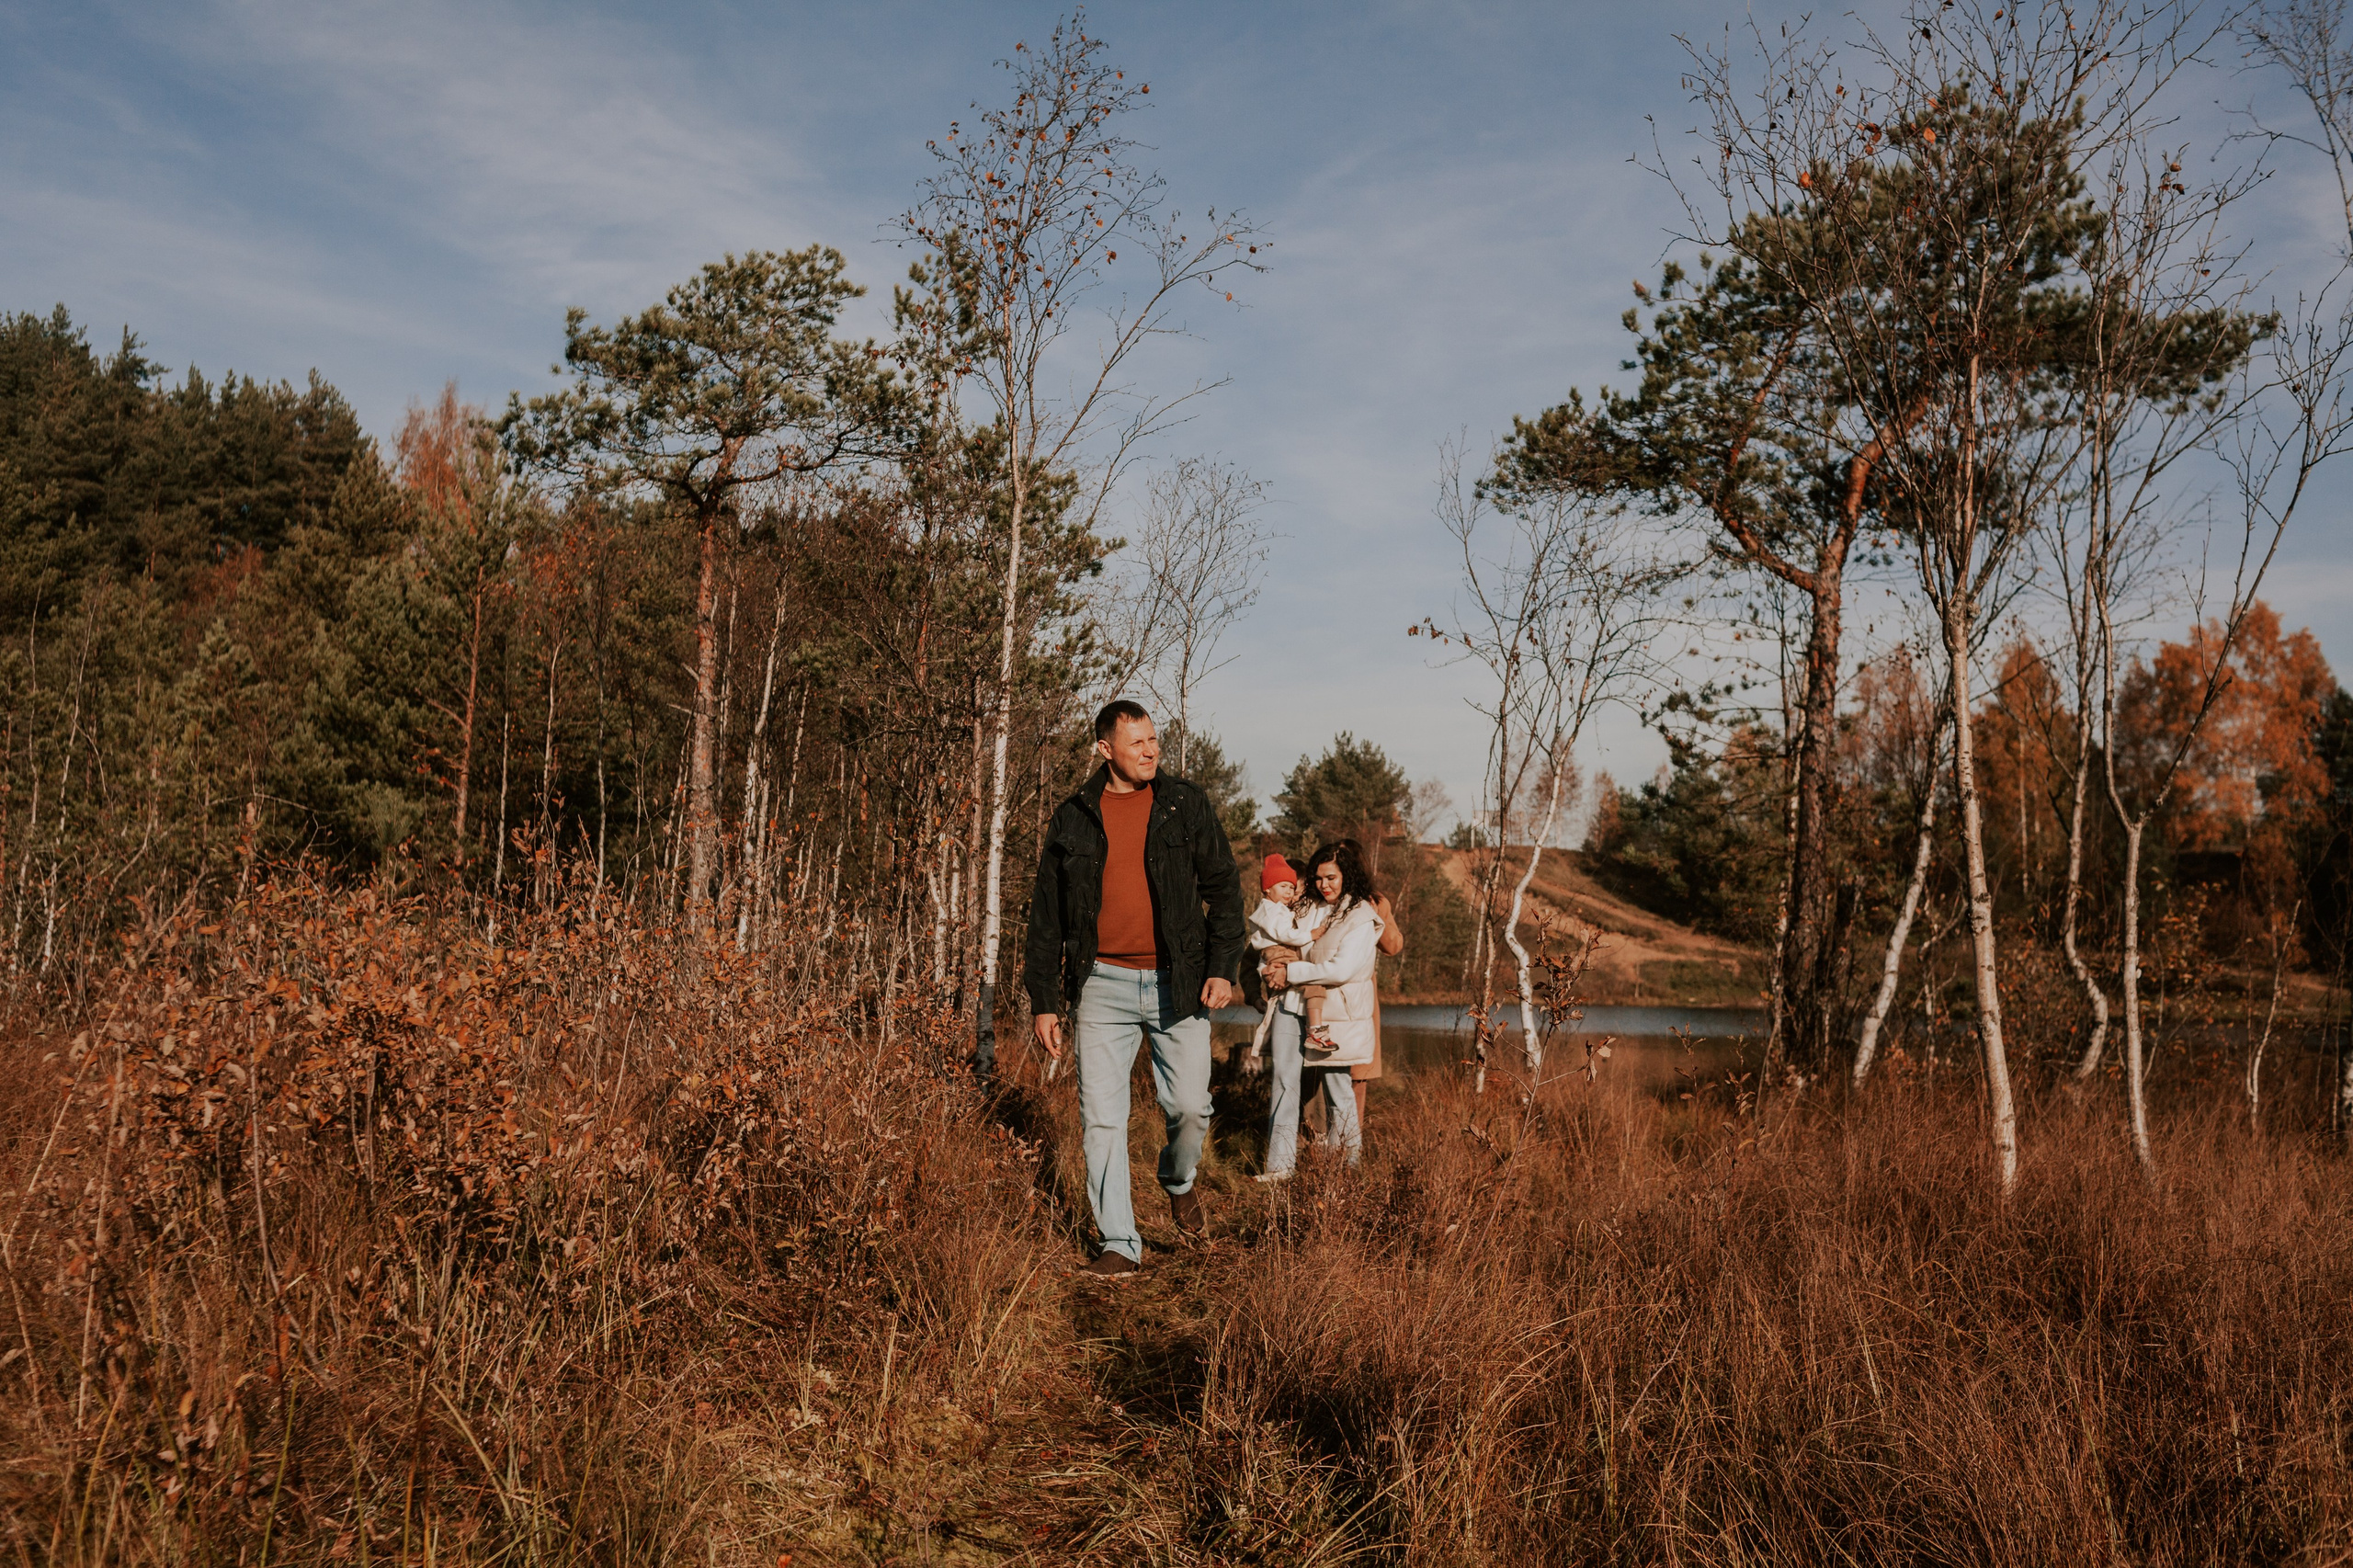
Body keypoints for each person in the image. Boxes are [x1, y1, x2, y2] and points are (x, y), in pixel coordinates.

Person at [1024, 699, 1245, 1278]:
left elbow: (1224, 888)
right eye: (1137, 743)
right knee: (1101, 1116)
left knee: (1191, 1107)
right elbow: (1046, 916)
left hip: (1182, 982)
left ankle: (1179, 1179)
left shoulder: (1184, 804)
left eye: (1153, 740)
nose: (1150, 751)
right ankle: (1120, 1242)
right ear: (1105, 749)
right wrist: (1044, 1000)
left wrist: (1223, 965)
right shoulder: (1073, 817)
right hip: (1101, 986)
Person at [1256, 841, 1382, 1179]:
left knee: (1338, 1089)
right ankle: (1279, 1169)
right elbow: (1274, 943)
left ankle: (1347, 1172)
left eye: (1331, 877)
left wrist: (1291, 973)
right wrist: (1268, 970)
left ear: (1348, 876)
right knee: (1284, 1084)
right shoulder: (1306, 906)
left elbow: (1341, 969)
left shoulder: (1361, 916)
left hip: (1332, 1014)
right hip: (1290, 1005)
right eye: (1318, 878)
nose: (1324, 885)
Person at [1245, 853, 1329, 1065]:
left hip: (1301, 1001)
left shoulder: (1313, 910)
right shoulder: (1273, 914)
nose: (1292, 897)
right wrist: (1256, 991)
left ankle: (1315, 1031)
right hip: (1283, 1001)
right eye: (1287, 889)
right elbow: (1252, 958)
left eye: (1296, 891)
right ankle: (1316, 1031)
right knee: (1285, 1069)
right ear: (1270, 888)